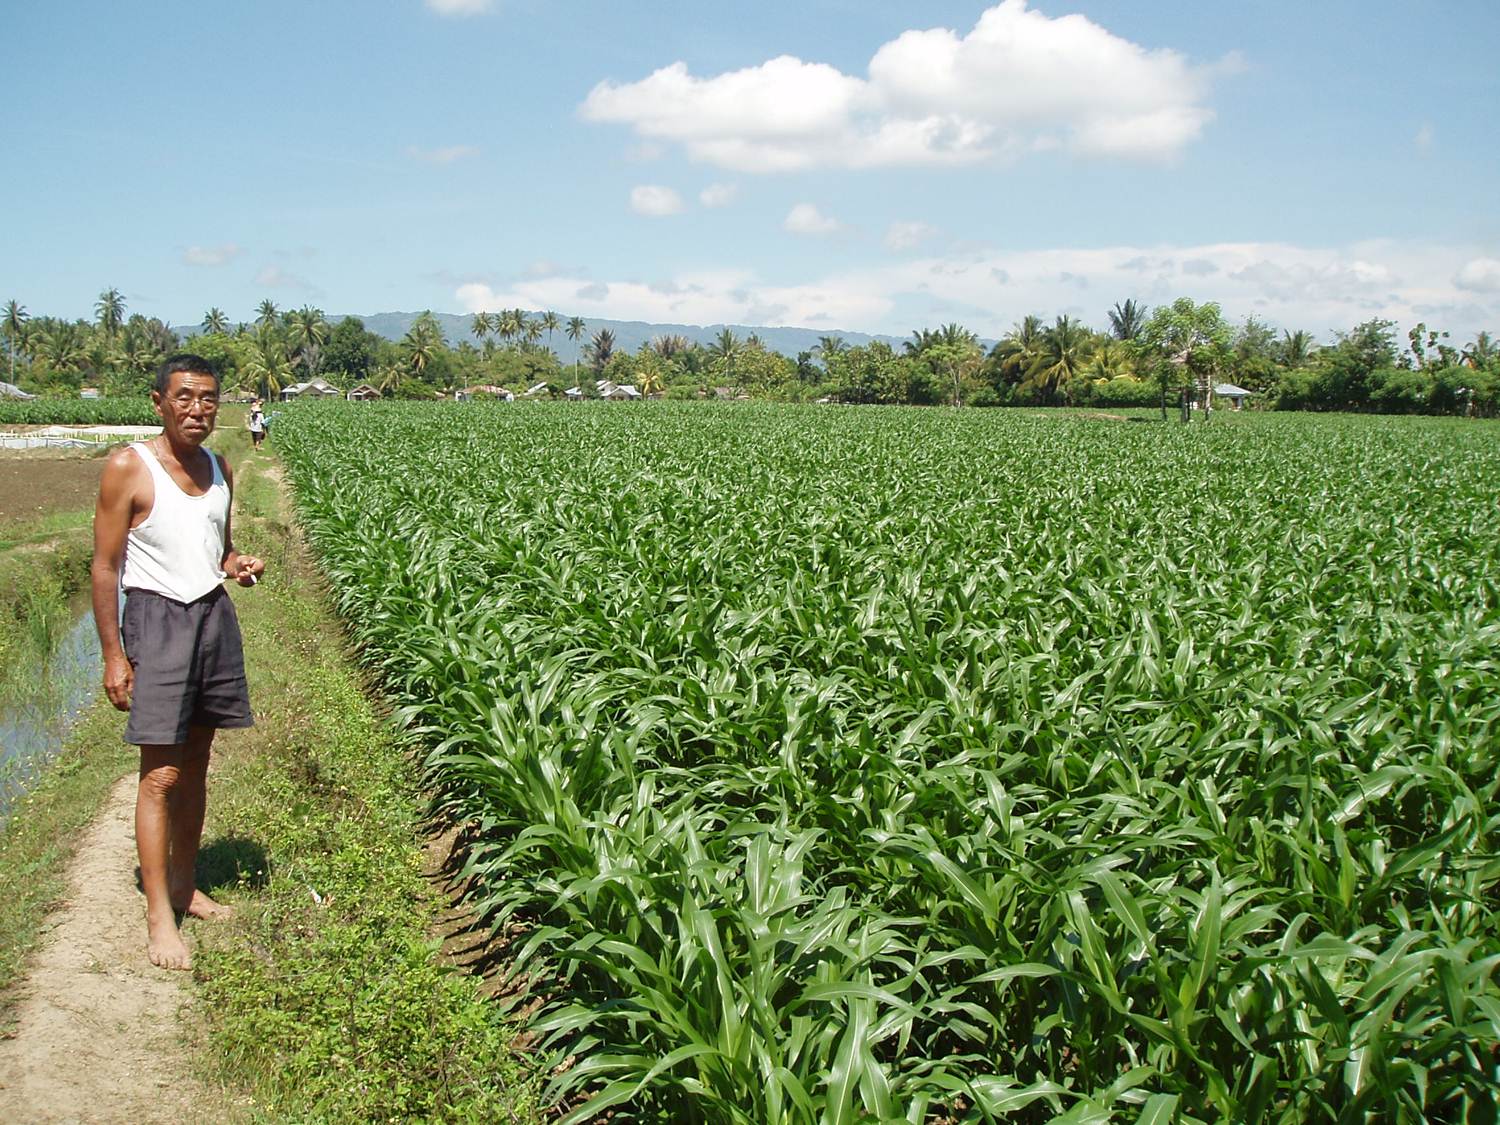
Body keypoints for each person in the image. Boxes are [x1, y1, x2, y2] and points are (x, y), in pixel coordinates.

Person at [91, 354, 265, 970]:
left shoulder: (220, 467)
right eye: (185, 398)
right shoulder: (128, 468)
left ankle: (186, 887)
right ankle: (158, 916)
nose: (198, 409)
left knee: (196, 766)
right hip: (157, 621)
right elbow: (106, 566)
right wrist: (115, 655)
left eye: (209, 399)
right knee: (160, 775)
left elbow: (217, 548)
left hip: (213, 618)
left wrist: (237, 564)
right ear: (159, 402)